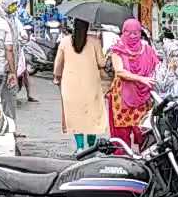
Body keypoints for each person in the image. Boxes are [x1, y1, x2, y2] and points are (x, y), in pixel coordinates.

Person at [53, 16, 108, 152]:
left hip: (70, 85)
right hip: (91, 85)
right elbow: (101, 63)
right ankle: (91, 146)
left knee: (75, 115)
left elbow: (58, 64)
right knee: (92, 115)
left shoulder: (65, 41)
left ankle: (80, 147)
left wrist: (57, 77)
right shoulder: (95, 41)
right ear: (87, 27)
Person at [107, 18, 159, 150]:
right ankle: (122, 162)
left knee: (144, 132)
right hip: (122, 99)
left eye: (136, 33)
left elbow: (157, 67)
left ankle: (147, 164)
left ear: (140, 33)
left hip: (143, 98)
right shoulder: (117, 49)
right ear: (123, 32)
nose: (132, 36)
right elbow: (119, 72)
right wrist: (141, 79)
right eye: (128, 33)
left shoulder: (147, 49)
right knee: (122, 137)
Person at [3, 0, 36, 102]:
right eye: (12, 4)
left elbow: (21, 30)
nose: (14, 7)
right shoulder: (0, 17)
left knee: (23, 71)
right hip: (6, 52)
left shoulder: (13, 17)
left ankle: (28, 94)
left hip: (17, 50)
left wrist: (23, 36)